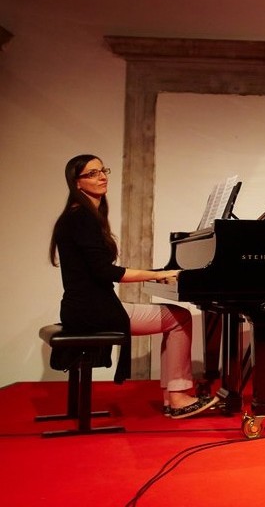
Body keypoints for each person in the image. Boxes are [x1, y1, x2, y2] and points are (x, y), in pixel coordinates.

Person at [49, 154, 218, 419]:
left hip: (83, 307)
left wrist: (156, 275)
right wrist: (157, 274)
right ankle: (177, 398)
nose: (101, 177)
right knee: (180, 318)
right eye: (92, 173)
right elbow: (106, 272)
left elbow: (98, 270)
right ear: (77, 182)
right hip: (93, 310)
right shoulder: (81, 217)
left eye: (102, 170)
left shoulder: (78, 215)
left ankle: (174, 398)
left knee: (176, 316)